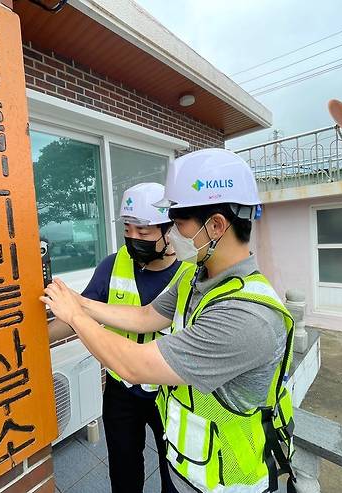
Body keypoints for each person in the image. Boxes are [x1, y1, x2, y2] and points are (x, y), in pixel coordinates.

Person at [42, 149, 296, 493]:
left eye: (177, 224)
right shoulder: (197, 277)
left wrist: (74, 314)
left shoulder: (245, 316)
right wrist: (79, 302)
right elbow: (146, 316)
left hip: (228, 479)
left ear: (216, 226)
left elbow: (135, 365)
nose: (174, 236)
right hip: (194, 460)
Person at [48, 182, 191, 493]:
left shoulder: (189, 274)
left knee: (178, 475)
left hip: (171, 393)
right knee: (124, 469)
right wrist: (37, 338)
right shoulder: (113, 264)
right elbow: (79, 314)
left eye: (143, 231)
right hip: (121, 390)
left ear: (169, 231)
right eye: (128, 229)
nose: (133, 238)